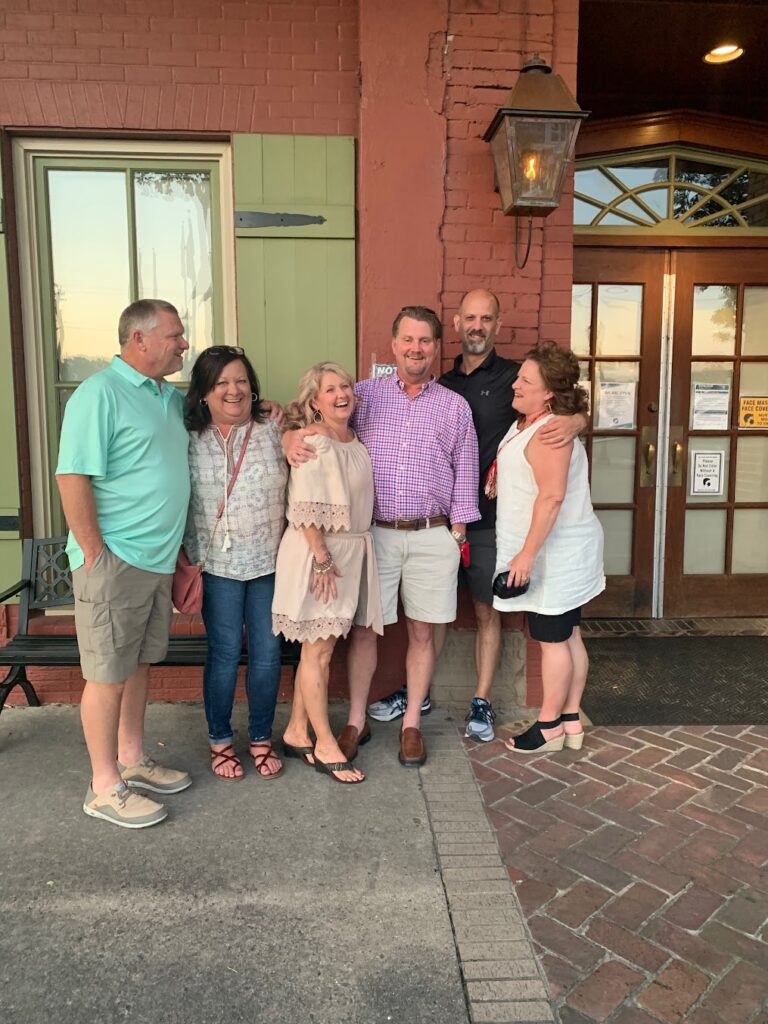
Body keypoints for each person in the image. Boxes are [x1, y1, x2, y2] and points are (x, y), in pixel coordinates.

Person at [368, 289, 586, 742]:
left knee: (487, 611)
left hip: (491, 521)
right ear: (457, 323)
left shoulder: (514, 377)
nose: (477, 326)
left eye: (486, 318)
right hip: (442, 522)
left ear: (498, 325)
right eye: (470, 317)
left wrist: (577, 420)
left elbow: (559, 405)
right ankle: (418, 694)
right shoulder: (443, 384)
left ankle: (481, 700)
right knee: (431, 614)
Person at [284, 307, 480, 768]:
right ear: (393, 345)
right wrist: (289, 437)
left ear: (436, 347)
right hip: (376, 536)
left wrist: (457, 534)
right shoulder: (365, 395)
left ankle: (411, 725)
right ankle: (357, 720)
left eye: (425, 340)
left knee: (422, 632)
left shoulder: (454, 406)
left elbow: (467, 470)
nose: (416, 349)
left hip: (432, 533)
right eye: (407, 340)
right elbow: (318, 423)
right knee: (364, 630)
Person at [56, 299, 192, 829]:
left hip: (156, 562)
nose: (183, 344)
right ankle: (103, 785)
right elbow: (73, 477)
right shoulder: (99, 394)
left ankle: (132, 758)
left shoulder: (167, 397)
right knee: (107, 675)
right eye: (175, 335)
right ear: (140, 339)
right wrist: (95, 553)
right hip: (115, 560)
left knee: (137, 665)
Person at [273, 362, 383, 784]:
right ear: (314, 401)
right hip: (320, 555)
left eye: (346, 386)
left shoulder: (351, 439)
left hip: (347, 553)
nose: (341, 395)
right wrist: (321, 558)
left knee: (320, 648)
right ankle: (324, 743)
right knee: (317, 652)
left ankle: (296, 730)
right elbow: (304, 506)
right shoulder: (314, 441)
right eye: (331, 389)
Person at [493, 341, 605, 754]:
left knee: (553, 639)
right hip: (562, 551)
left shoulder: (549, 432)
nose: (516, 384)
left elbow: (552, 496)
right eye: (518, 376)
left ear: (549, 393)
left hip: (554, 555)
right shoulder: (535, 422)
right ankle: (571, 719)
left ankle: (549, 727)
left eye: (526, 380)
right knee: (569, 635)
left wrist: (526, 555)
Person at [183, 347, 288, 781]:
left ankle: (261, 737)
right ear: (204, 392)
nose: (233, 390)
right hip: (216, 566)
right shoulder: (186, 436)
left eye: (241, 380)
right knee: (224, 653)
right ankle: (220, 741)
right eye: (221, 382)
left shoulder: (275, 427)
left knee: (267, 654)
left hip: (270, 561)